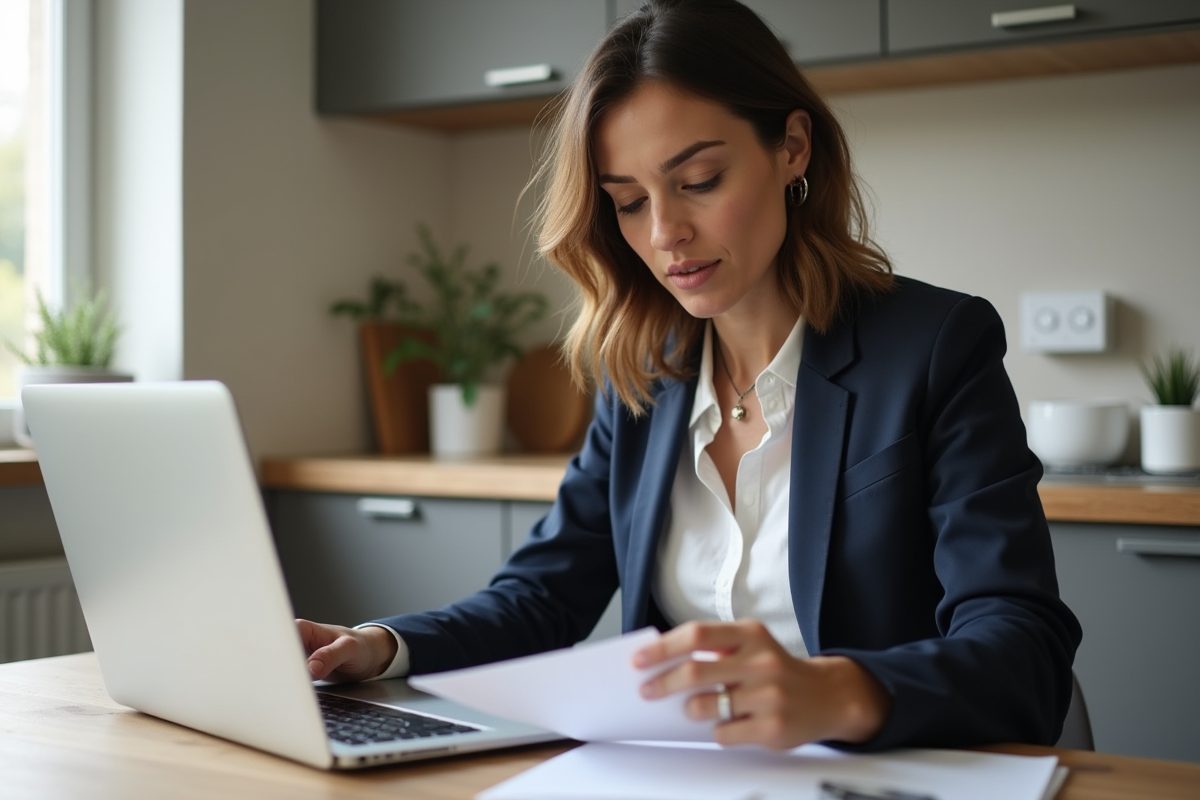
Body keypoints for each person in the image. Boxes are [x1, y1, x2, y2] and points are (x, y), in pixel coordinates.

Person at [298, 0, 1081, 752]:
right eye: (629, 202)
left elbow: (1023, 648)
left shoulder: (938, 345)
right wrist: (379, 645)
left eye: (699, 181)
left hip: (875, 777)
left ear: (793, 148)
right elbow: (542, 595)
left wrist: (836, 692)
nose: (666, 232)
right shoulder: (642, 372)